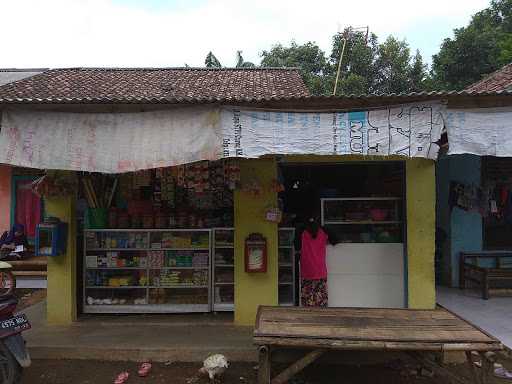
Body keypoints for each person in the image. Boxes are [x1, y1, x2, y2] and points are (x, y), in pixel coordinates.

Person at [298, 216, 336, 307]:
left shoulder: (302, 233)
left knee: (307, 302)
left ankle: (308, 320)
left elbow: (296, 245)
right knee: (321, 301)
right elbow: (335, 240)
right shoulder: (323, 232)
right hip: (320, 271)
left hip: (307, 272)